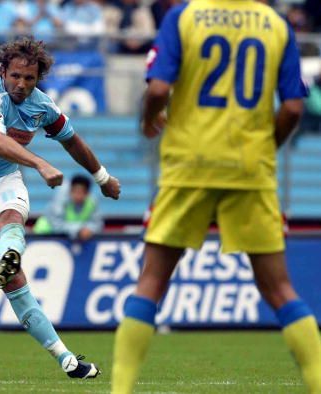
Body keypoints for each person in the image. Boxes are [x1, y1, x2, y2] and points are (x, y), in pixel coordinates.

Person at [111, 0, 321, 393]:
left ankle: (120, 390)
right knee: (280, 289)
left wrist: (147, 121)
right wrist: (262, 149)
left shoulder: (184, 17)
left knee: (152, 282)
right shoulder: (275, 24)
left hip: (189, 166)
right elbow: (293, 106)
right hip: (250, 169)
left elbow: (158, 87)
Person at [0, 38, 120, 379]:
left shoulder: (42, 106)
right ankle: (62, 355)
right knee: (15, 285)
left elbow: (71, 139)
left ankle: (70, 362)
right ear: (3, 72)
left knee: (11, 218)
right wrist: (40, 164)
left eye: (29, 78)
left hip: (5, 180)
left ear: (38, 78)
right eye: (15, 76)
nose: (22, 85)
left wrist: (101, 177)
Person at [33, 174, 104, 241]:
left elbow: (98, 224)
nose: (77, 196)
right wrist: (78, 230)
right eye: (75, 191)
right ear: (70, 191)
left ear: (87, 193)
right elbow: (56, 225)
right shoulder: (61, 201)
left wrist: (89, 229)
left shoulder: (92, 202)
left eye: (80, 192)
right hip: (48, 233)